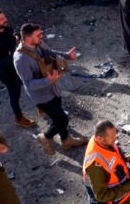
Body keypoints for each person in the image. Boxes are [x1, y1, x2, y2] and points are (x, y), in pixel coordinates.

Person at [13, 23, 86, 155]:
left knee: (57, 117)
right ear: (28, 37)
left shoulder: (38, 43)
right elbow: (28, 84)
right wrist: (48, 80)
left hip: (54, 88)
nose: (42, 36)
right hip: (42, 96)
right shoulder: (20, 58)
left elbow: (50, 52)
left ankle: (66, 141)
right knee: (63, 119)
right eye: (38, 35)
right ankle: (45, 137)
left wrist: (67, 56)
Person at [0, 9, 34, 128]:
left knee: (32, 84)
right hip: (9, 74)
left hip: (20, 66)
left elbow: (12, 34)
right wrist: (10, 58)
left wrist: (16, 37)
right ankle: (19, 118)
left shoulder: (5, 28)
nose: (5, 20)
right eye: (1, 19)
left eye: (4, 17)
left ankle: (41, 106)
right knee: (14, 96)